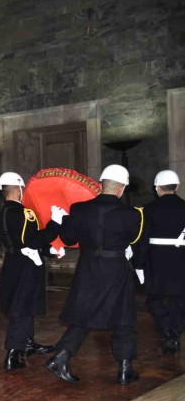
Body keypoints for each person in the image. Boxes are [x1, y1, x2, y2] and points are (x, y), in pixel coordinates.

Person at [45, 165, 144, 385]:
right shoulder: (131, 214)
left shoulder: (78, 209)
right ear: (121, 188)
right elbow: (134, 239)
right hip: (115, 268)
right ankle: (125, 368)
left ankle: (61, 356)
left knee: (84, 314)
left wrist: (65, 220)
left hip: (88, 267)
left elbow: (68, 239)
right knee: (124, 316)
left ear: (100, 185)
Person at [0, 172, 62, 370]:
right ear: (18, 189)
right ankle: (13, 353)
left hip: (12, 262)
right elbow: (32, 240)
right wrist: (55, 224)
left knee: (26, 303)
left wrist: (48, 250)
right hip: (26, 265)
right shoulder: (24, 213)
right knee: (21, 307)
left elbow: (21, 241)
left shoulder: (2, 213)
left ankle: (28, 342)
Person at [132, 170, 185, 356]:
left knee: (154, 299)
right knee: (180, 300)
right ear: (177, 187)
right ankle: (175, 332)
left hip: (156, 260)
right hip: (181, 259)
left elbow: (142, 240)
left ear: (157, 188)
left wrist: (138, 264)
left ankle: (167, 330)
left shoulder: (148, 209)